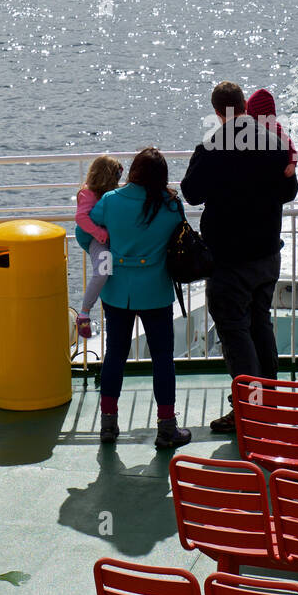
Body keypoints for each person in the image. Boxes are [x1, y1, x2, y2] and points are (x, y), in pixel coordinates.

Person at [181, 82, 298, 433]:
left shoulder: (211, 147)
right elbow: (289, 191)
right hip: (266, 252)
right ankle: (272, 398)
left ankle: (250, 409)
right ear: (244, 105)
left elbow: (191, 193)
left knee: (234, 331)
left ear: (218, 111)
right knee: (260, 323)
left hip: (229, 258)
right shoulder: (274, 144)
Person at [88, 147, 191, 449]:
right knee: (162, 358)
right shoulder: (171, 205)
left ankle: (108, 424)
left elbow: (85, 232)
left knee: (115, 356)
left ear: (133, 171)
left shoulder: (110, 201)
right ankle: (167, 427)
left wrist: (104, 253)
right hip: (156, 290)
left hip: (117, 289)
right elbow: (180, 238)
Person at [74, 155, 123, 339]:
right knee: (103, 270)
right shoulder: (88, 193)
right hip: (99, 239)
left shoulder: (109, 193)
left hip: (112, 237)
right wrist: (99, 234)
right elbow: (81, 217)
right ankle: (85, 312)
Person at [246, 87, 298, 178]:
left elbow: (291, 147)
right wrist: (292, 163)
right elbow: (292, 149)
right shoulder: (275, 128)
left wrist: (292, 163)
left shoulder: (273, 130)